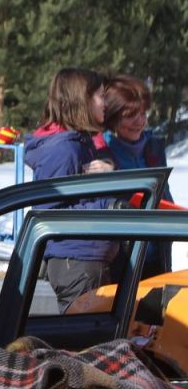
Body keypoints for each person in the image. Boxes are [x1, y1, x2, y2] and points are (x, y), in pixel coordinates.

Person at [24, 68, 119, 313]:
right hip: (77, 262)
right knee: (83, 345)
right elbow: (48, 210)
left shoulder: (82, 143)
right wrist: (107, 205)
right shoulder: (65, 149)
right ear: (82, 100)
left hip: (88, 259)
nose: (105, 102)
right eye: (100, 95)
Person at [103, 74, 174, 277]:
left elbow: (165, 199)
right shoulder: (102, 152)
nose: (139, 121)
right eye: (130, 115)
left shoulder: (154, 149)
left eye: (143, 113)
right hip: (119, 265)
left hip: (155, 259)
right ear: (113, 116)